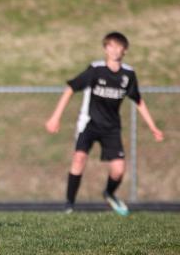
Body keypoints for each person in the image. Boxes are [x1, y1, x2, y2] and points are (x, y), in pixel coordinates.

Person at [45, 31, 164, 216]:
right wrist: (55, 117)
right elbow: (71, 88)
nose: (115, 50)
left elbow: (138, 100)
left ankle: (109, 193)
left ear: (125, 50)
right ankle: (69, 204)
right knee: (79, 158)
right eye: (111, 46)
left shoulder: (128, 74)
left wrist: (153, 127)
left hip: (111, 127)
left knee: (118, 170)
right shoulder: (96, 69)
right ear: (105, 48)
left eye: (119, 47)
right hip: (89, 123)